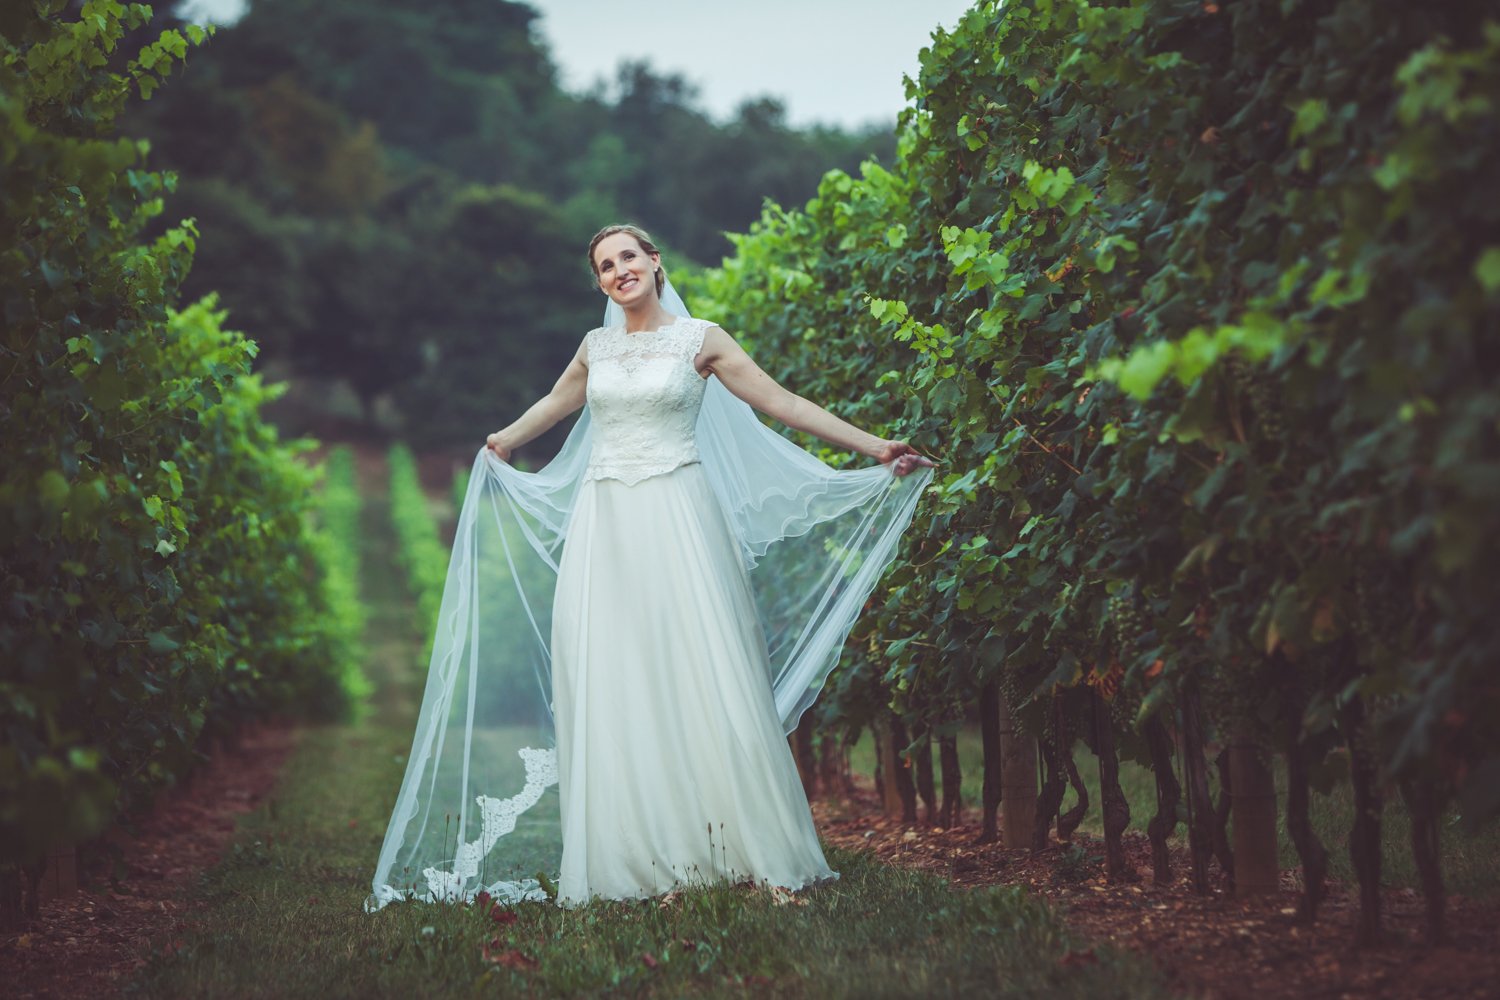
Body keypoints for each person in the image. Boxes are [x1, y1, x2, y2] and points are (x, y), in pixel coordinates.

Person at [364, 224, 933, 912]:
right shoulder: (595, 347)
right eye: (605, 266)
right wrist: (506, 440)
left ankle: (740, 846)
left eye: (628, 256)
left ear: (655, 264)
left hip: (677, 519)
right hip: (604, 525)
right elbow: (557, 402)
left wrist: (875, 447)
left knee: (700, 668)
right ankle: (633, 853)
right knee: (614, 677)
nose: (618, 271)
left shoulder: (702, 339)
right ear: (600, 283)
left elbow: (781, 403)